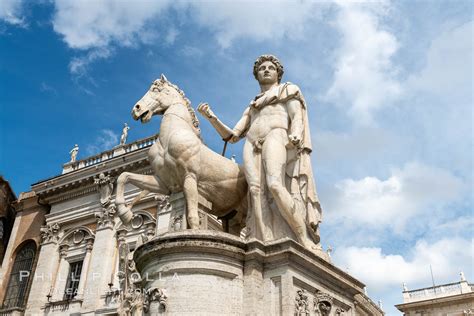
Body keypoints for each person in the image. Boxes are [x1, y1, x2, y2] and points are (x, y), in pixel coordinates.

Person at [198, 55, 321, 249]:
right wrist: (212, 118)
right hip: (251, 142)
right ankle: (263, 240)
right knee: (254, 192)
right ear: (256, 75)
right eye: (262, 68)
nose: (265, 70)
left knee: (274, 185)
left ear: (277, 73)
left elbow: (296, 116)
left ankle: (302, 237)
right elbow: (232, 136)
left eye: (270, 67)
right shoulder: (253, 105)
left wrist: (296, 133)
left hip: (276, 135)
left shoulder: (287, 89)